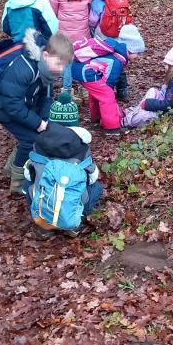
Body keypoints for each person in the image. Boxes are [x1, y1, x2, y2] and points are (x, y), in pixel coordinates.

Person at [0, 29, 73, 193]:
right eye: (59, 64)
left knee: (33, 135)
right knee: (29, 140)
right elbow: (12, 105)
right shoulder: (25, 69)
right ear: (46, 55)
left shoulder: (47, 71)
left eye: (64, 65)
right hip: (3, 107)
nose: (61, 69)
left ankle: (9, 170)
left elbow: (45, 98)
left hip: (23, 106)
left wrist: (45, 121)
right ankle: (17, 183)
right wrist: (38, 123)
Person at [24, 91, 103, 236]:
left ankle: (44, 224)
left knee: (27, 184)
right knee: (96, 187)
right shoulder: (82, 146)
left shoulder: (39, 142)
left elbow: (28, 174)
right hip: (71, 198)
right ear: (75, 121)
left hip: (45, 198)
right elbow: (92, 176)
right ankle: (73, 220)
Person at [71, 25, 145, 135]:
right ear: (130, 50)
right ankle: (112, 127)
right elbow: (109, 81)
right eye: (137, 53)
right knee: (107, 96)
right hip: (87, 72)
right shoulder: (117, 60)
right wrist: (109, 93)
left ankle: (96, 117)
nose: (138, 56)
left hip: (81, 70)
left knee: (98, 92)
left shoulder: (115, 52)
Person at [123, 35, 173, 128]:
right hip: (166, 103)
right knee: (153, 91)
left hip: (169, 114)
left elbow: (167, 105)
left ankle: (125, 121)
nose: (165, 67)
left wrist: (148, 103)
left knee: (141, 117)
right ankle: (136, 111)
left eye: (168, 65)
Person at [50, 0, 93, 91]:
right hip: (83, 33)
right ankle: (84, 89)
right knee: (83, 59)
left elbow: (53, 11)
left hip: (64, 34)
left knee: (67, 61)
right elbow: (90, 9)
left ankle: (67, 89)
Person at [90, 0, 132, 99]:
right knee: (118, 59)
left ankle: (106, 87)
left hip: (102, 36)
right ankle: (123, 90)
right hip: (118, 35)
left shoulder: (97, 2)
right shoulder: (120, 0)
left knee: (106, 61)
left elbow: (92, 21)